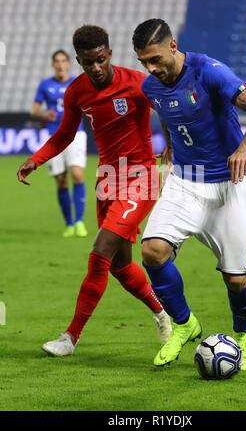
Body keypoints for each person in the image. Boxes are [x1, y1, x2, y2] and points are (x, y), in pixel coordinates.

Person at [17, 25, 171, 356]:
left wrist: (170, 148)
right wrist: (36, 160)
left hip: (140, 178)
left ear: (110, 54)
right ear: (79, 61)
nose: (96, 68)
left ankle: (70, 337)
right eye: (88, 63)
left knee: (100, 252)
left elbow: (171, 112)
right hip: (107, 181)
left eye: (100, 60)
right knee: (120, 267)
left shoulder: (136, 83)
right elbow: (63, 135)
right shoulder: (76, 92)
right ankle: (164, 314)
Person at [132, 18, 246, 369]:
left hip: (232, 180)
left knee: (237, 280)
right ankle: (183, 323)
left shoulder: (210, 71)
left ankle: (242, 336)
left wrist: (244, 148)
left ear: (173, 46)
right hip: (185, 179)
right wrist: (168, 143)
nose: (151, 69)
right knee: (152, 250)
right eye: (144, 62)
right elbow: (166, 110)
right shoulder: (152, 86)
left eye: (156, 59)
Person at [31, 49, 88, 238]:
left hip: (75, 134)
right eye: (57, 61)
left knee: (77, 175)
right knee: (61, 181)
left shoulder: (77, 83)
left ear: (68, 63)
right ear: (53, 64)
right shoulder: (45, 85)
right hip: (53, 137)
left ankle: (79, 221)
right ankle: (69, 224)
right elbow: (35, 111)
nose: (60, 64)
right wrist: (44, 114)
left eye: (63, 61)